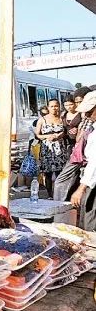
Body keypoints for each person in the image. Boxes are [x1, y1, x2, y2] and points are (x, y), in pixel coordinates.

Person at [68, 91, 96, 231]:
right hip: (90, 179)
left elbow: (94, 164)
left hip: (92, 182)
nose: (87, 116)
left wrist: (81, 189)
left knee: (90, 222)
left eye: (90, 112)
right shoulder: (93, 127)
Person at [35, 99, 67, 198]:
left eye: (56, 106)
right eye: (52, 106)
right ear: (48, 107)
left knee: (59, 173)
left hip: (60, 150)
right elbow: (37, 135)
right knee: (48, 173)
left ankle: (59, 195)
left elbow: (66, 132)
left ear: (59, 107)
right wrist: (46, 137)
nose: (54, 108)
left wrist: (60, 135)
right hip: (47, 149)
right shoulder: (42, 120)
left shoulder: (62, 119)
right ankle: (50, 195)